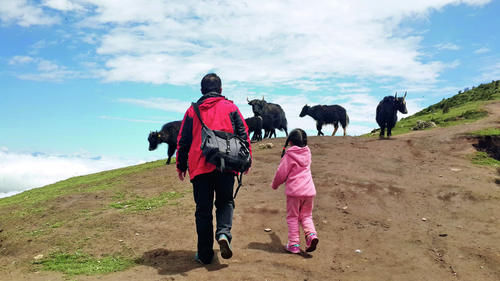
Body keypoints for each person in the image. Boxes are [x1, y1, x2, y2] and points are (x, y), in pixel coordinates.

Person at [176, 73, 252, 264]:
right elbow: (243, 134)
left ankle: (204, 254)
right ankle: (224, 233)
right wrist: (246, 160)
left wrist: (181, 165)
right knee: (225, 201)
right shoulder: (231, 108)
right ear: (220, 90)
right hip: (226, 164)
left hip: (200, 166)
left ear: (202, 90)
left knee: (203, 210)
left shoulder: (192, 111)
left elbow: (183, 141)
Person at [271, 128, 319, 254]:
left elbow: (281, 173)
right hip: (309, 191)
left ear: (290, 142)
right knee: (306, 216)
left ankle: (293, 244)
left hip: (295, 193)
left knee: (293, 217)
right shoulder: (307, 152)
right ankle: (311, 235)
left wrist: (275, 185)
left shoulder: (289, 155)